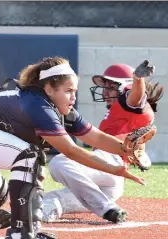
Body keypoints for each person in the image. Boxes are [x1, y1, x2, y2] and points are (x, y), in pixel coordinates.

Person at [0, 56, 153, 238]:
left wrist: (125, 150)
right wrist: (114, 169)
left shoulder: (56, 108)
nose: (73, 97)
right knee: (29, 155)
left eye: (75, 91)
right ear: (49, 89)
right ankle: (22, 232)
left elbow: (96, 137)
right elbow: (71, 150)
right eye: (68, 91)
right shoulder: (38, 103)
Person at [42, 61, 163, 223]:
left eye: (110, 87)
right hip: (109, 186)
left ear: (124, 87)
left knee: (58, 162)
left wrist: (137, 80)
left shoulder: (129, 102)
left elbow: (135, 97)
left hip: (111, 164)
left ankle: (106, 207)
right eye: (105, 87)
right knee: (42, 200)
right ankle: (105, 207)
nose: (105, 92)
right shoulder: (119, 111)